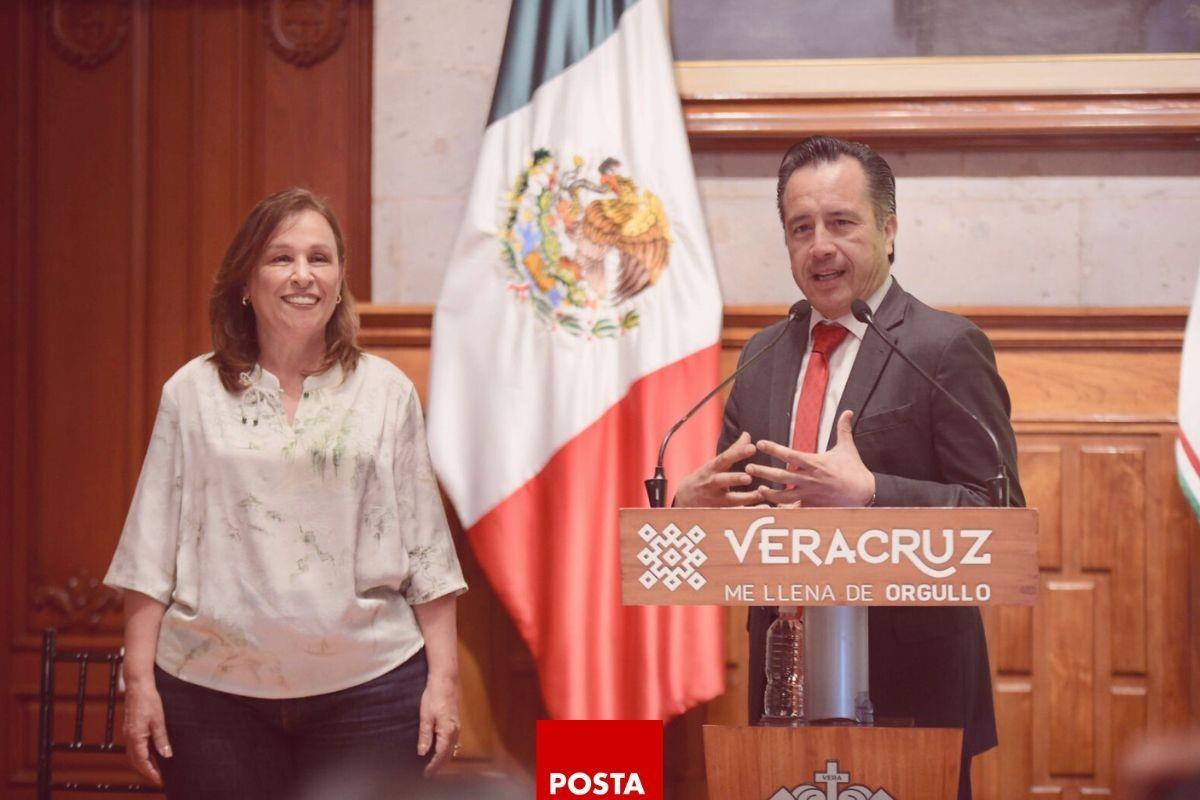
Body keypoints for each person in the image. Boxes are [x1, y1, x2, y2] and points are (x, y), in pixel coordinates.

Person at [674, 136, 1024, 800]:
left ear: (889, 231)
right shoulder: (764, 354)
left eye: (841, 222)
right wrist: (692, 509)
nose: (819, 246)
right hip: (783, 680)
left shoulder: (944, 347)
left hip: (913, 690)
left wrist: (872, 493)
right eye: (800, 228)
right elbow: (738, 503)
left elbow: (999, 514)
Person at [104, 188, 467, 799]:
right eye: (281, 258)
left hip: (371, 692)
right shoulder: (190, 393)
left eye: (320, 259)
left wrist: (446, 681)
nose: (303, 275)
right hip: (210, 698)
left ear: (339, 279)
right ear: (246, 280)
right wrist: (138, 683)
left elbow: (428, 554)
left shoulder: (387, 392)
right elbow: (149, 550)